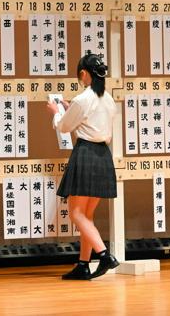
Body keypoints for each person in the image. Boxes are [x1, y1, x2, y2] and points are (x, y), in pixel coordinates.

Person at [46, 53, 120, 280]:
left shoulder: (82, 99)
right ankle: (83, 265)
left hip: (86, 152)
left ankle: (105, 255)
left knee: (77, 214)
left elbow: (65, 126)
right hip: (102, 156)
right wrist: (70, 109)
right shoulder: (107, 99)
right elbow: (87, 121)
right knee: (87, 214)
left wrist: (57, 112)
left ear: (84, 74)